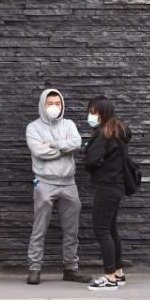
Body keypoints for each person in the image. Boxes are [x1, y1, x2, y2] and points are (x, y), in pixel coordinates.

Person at [23, 88, 91, 285]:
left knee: (72, 229)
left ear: (62, 105)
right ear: (43, 105)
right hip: (44, 182)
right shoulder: (33, 128)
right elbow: (39, 152)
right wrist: (63, 148)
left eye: (57, 103)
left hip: (69, 183)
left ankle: (71, 268)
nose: (54, 107)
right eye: (50, 104)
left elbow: (77, 143)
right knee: (39, 227)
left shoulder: (69, 124)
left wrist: (52, 143)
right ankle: (34, 267)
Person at [84, 96, 131, 292]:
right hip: (117, 186)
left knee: (101, 230)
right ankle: (118, 273)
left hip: (107, 186)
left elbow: (91, 161)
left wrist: (88, 150)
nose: (90, 116)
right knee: (111, 229)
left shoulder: (103, 134)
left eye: (94, 112)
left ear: (102, 114)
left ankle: (109, 277)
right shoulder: (118, 130)